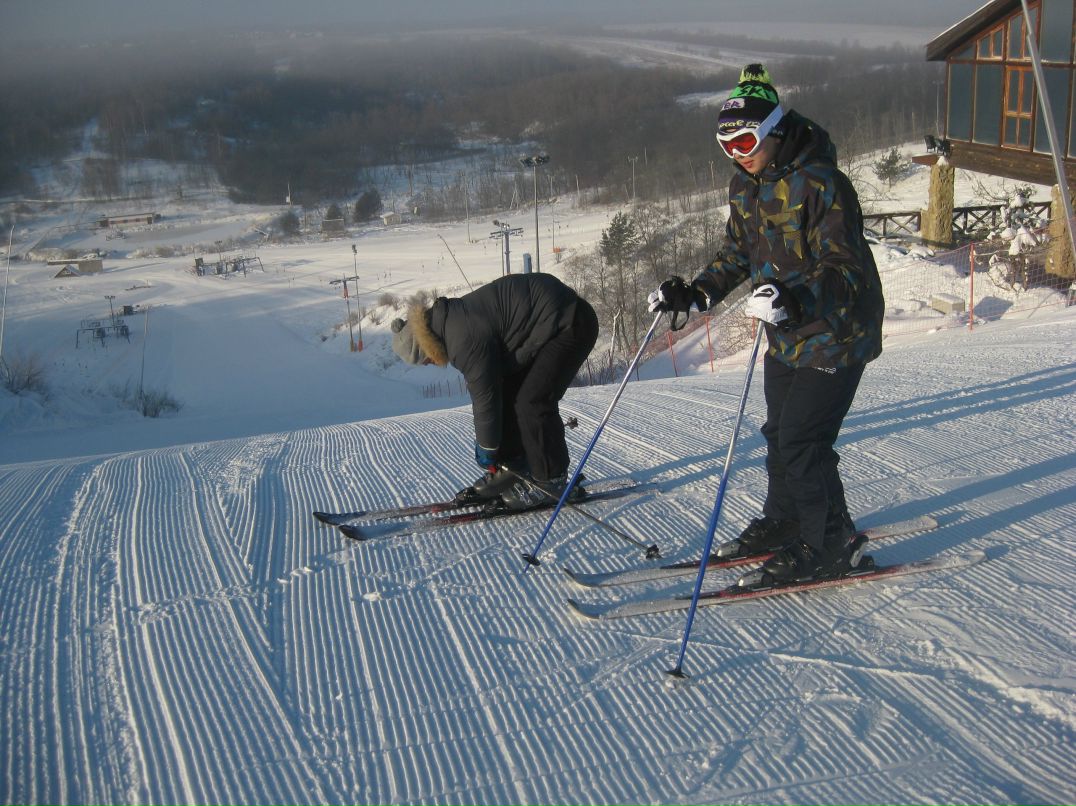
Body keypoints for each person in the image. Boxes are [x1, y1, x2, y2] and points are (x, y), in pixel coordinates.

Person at [647, 64, 885, 583]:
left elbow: (847, 270)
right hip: (784, 328)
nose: (738, 155)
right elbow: (736, 254)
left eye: (747, 140)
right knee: (780, 433)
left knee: (804, 440)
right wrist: (696, 292)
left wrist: (795, 299)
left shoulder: (823, 183)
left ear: (776, 128)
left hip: (837, 330)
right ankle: (785, 520)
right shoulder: (745, 187)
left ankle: (831, 543)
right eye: (725, 146)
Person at [390, 272, 599, 511]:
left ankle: (552, 480)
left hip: (571, 322)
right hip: (552, 321)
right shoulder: (449, 321)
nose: (429, 364)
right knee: (511, 391)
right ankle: (516, 466)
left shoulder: (461, 338)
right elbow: (497, 389)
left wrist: (487, 449)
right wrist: (501, 454)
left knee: (532, 401)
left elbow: (485, 398)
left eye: (424, 360)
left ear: (426, 347)